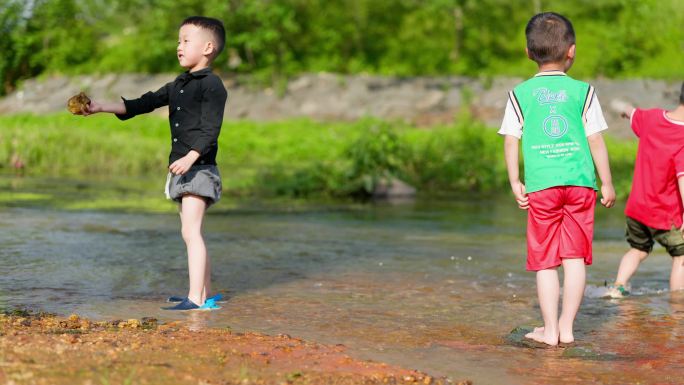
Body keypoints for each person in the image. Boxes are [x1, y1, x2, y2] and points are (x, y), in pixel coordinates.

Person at [73, 16, 228, 310]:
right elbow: (140, 104)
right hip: (183, 168)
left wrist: (190, 157)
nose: (178, 46)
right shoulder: (178, 84)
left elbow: (211, 130)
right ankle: (204, 293)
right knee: (192, 231)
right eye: (178, 40)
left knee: (190, 232)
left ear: (208, 47)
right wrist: (100, 107)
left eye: (186, 40)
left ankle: (196, 299)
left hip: (199, 168)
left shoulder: (212, 85)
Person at [499, 12, 615, 346]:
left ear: (528, 52)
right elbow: (595, 139)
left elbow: (511, 139)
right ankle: (567, 328)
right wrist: (606, 182)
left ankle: (549, 332)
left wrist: (514, 181)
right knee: (574, 257)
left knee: (546, 261)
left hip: (542, 186)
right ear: (572, 51)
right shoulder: (584, 92)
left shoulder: (519, 94)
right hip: (580, 184)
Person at [606, 83, 684, 298]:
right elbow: (683, 179)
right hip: (666, 214)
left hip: (637, 209)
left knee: (638, 250)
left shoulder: (652, 118)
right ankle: (678, 303)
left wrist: (620, 106)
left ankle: (618, 287)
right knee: (681, 255)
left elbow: (628, 110)